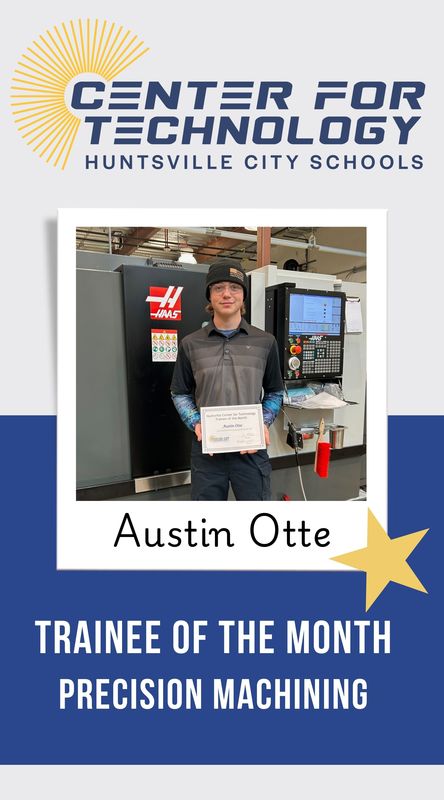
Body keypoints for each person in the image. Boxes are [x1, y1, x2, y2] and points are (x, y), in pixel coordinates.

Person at [171, 259, 283, 500]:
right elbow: (179, 393)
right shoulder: (190, 344)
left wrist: (262, 423)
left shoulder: (265, 342)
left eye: (234, 287)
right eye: (218, 287)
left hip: (251, 451)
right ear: (209, 296)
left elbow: (275, 391)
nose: (226, 294)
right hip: (208, 454)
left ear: (243, 295)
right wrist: (196, 423)